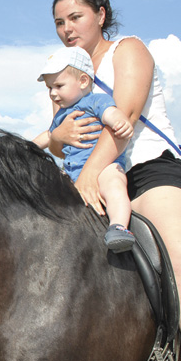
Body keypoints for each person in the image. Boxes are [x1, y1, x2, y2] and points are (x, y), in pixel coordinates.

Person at [48, 0, 181, 361]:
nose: (67, 29)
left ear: (101, 14)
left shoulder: (128, 49)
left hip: (148, 169)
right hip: (97, 175)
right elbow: (56, 131)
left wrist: (89, 175)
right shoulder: (64, 74)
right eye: (60, 22)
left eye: (76, 17)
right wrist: (55, 139)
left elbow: (124, 116)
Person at [34, 45, 135, 252]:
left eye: (59, 86)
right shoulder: (61, 116)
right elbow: (49, 136)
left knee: (114, 184)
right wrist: (26, 146)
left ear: (83, 81)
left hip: (103, 166)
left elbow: (109, 113)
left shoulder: (96, 100)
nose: (53, 94)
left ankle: (119, 226)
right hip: (72, 172)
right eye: (49, 88)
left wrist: (118, 121)